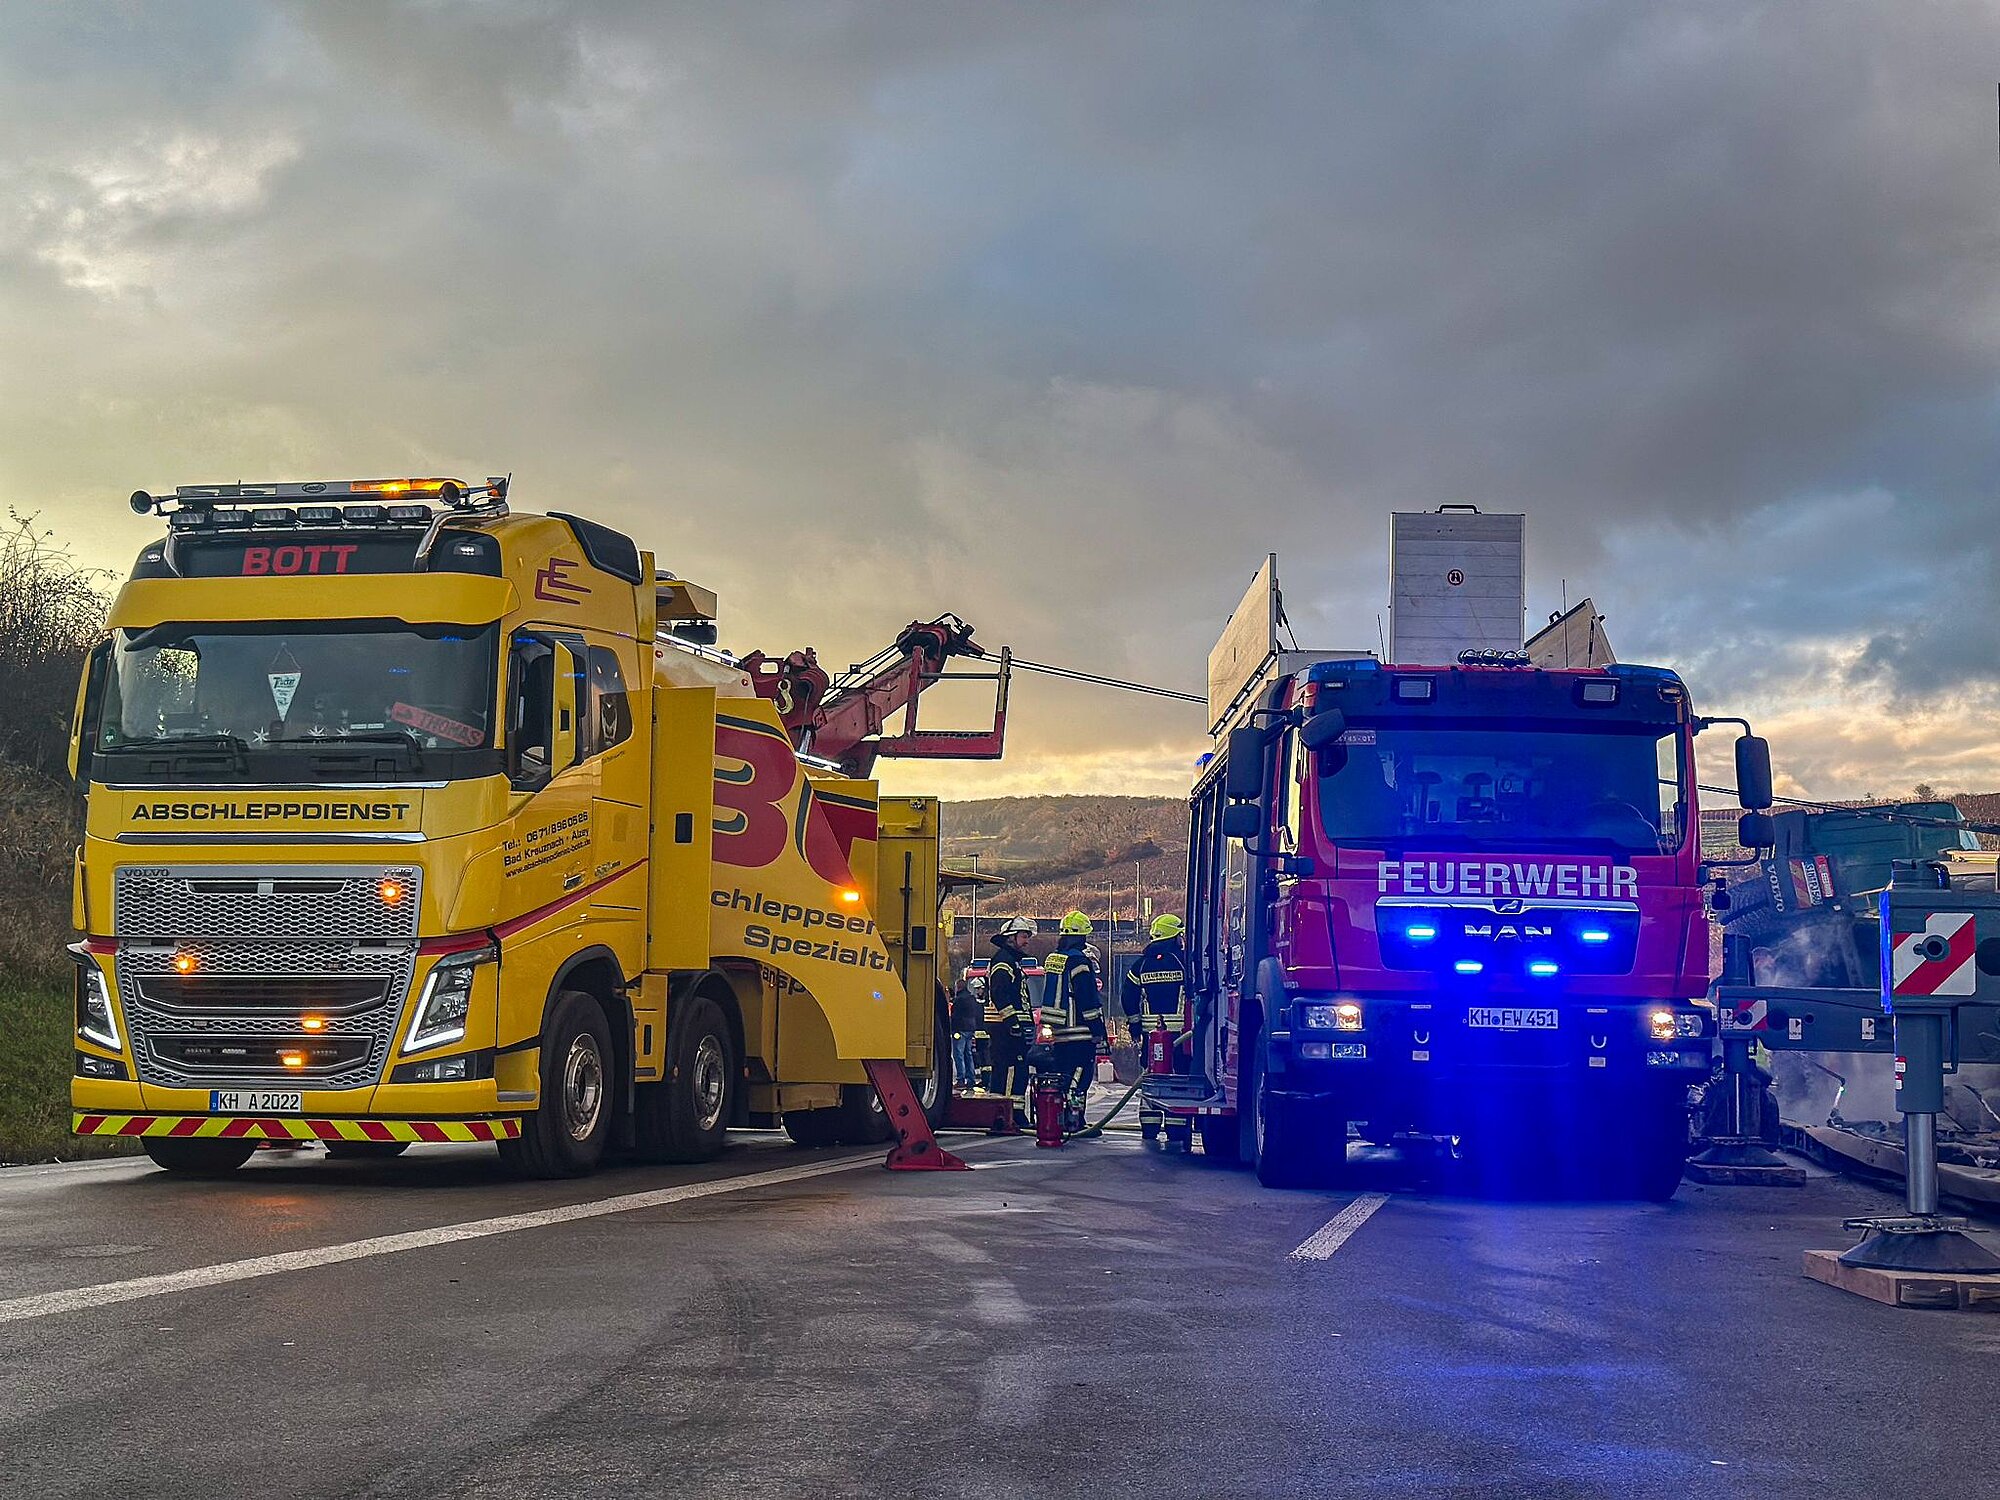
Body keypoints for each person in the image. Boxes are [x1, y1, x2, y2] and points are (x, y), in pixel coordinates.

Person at [1122, 913, 1192, 1141]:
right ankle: (1176, 1128)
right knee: (1178, 1079)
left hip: (1151, 1035)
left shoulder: (1141, 964)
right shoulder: (1184, 962)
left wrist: (1135, 1025)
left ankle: (1150, 1127)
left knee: (1151, 1077)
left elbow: (1128, 996)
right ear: (1175, 937)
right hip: (1181, 1035)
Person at [1038, 910, 1105, 1133]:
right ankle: (1075, 1120)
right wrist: (1097, 1029)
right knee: (1080, 1078)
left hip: (1058, 1030)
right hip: (1080, 1030)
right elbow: (1087, 997)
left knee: (1063, 1076)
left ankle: (1058, 1118)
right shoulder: (1079, 961)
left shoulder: (1054, 958)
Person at [983, 918, 1036, 1128]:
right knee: (1009, 1071)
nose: (1027, 941)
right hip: (1004, 1028)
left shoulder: (1011, 961)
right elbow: (999, 994)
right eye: (1023, 936)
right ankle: (1005, 1117)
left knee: (1016, 1071)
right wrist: (1013, 1022)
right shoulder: (1003, 961)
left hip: (1010, 1027)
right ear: (1010, 938)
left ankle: (1012, 1115)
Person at [949, 976, 980, 1092]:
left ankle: (961, 1080)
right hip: (970, 1029)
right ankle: (971, 1080)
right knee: (968, 1054)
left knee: (958, 1055)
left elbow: (955, 1016)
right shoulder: (972, 999)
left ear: (958, 987)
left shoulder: (959, 1000)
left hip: (960, 1030)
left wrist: (953, 1030)